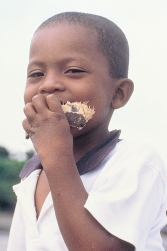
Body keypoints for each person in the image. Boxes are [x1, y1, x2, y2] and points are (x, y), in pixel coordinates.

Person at [7, 12, 167, 251]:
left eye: (73, 70)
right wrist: (50, 159)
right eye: (36, 74)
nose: (48, 84)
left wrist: (56, 155)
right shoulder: (33, 174)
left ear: (118, 93)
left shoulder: (136, 161)